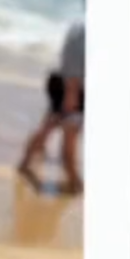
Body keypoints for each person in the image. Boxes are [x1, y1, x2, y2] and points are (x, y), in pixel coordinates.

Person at [17, 19, 86, 196]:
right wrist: (71, 96)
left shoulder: (79, 27)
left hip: (65, 84)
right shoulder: (84, 33)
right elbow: (74, 67)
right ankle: (75, 183)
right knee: (68, 137)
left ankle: (24, 164)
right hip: (72, 89)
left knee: (48, 127)